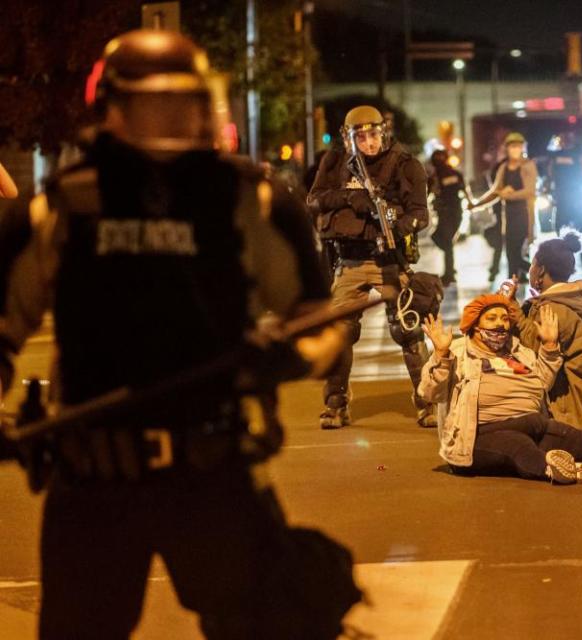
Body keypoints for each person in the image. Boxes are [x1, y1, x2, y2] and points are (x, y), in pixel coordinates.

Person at [0, 30, 359, 639]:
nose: (177, 119)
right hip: (94, 479)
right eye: (155, 104)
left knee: (273, 625)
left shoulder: (251, 201)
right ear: (112, 109)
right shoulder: (62, 208)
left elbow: (319, 322)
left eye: (187, 102)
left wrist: (288, 358)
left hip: (213, 471)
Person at [418, 294, 582, 484]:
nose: (500, 325)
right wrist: (440, 355)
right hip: (479, 437)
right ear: (474, 324)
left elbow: (543, 382)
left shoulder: (517, 351)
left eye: (504, 319)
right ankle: (555, 471)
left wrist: (550, 345)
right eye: (491, 319)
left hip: (533, 425)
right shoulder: (458, 352)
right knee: (519, 449)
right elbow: (430, 393)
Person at [307, 105, 436, 429]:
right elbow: (315, 200)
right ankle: (336, 404)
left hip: (390, 261)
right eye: (360, 136)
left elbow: (420, 214)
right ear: (348, 138)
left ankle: (427, 402)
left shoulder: (405, 166)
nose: (368, 142)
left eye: (374, 134)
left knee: (407, 330)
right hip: (350, 261)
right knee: (340, 332)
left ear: (384, 132)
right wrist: (352, 199)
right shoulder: (335, 163)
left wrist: (396, 225)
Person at [513, 229, 582, 434]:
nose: (530, 270)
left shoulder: (553, 308)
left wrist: (512, 310)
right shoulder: (574, 299)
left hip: (567, 413)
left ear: (541, 270)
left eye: (532, 265)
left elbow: (535, 349)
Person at [470, 132, 538, 283]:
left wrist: (507, 195)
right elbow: (495, 191)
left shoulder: (528, 165)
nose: (515, 149)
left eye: (518, 146)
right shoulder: (504, 167)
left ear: (522, 147)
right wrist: (476, 205)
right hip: (508, 217)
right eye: (512, 146)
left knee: (515, 255)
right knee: (510, 256)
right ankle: (511, 290)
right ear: (507, 148)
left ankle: (540, 274)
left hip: (524, 215)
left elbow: (529, 191)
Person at [544, 134, 582, 288]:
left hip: (578, 204)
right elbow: (550, 174)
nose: (566, 142)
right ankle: (562, 276)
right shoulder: (557, 156)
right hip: (564, 203)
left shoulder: (580, 154)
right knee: (561, 241)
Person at [427, 148, 467, 287]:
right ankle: (450, 270)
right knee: (444, 241)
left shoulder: (435, 177)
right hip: (456, 213)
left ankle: (449, 273)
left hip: (447, 213)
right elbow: (465, 190)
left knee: (445, 241)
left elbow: (427, 193)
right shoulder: (454, 174)